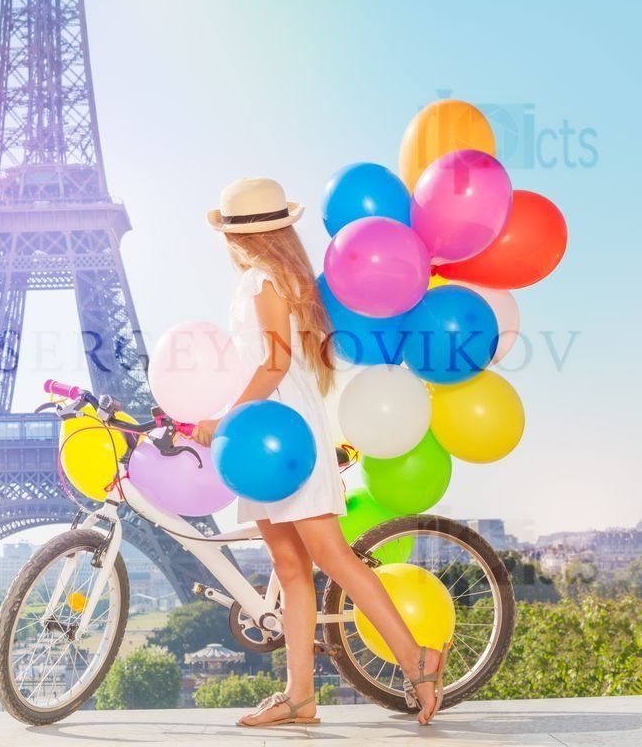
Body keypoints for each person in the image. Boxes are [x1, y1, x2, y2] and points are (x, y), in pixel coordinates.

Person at [191, 178, 451, 727]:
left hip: (275, 438)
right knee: (290, 566)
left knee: (331, 558)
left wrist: (224, 421)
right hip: (274, 435)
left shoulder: (264, 281)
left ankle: (417, 659)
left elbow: (275, 365)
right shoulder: (287, 280)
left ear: (235, 237)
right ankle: (300, 696)